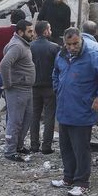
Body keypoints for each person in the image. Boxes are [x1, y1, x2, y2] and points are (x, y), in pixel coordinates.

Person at [52, 27, 98, 196]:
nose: (72, 47)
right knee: (66, 146)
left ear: (81, 40)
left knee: (80, 148)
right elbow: (55, 73)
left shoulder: (92, 57)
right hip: (64, 109)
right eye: (69, 44)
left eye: (76, 43)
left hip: (82, 111)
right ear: (64, 43)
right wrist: (58, 88)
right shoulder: (61, 56)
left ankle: (82, 182)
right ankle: (68, 177)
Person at [0, 9, 26, 132]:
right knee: (10, 103)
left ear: (11, 18)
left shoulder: (0, 31)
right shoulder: (21, 36)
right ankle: (9, 129)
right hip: (13, 73)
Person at [0, 20, 36, 162]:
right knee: (15, 121)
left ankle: (18, 146)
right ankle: (10, 152)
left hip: (26, 89)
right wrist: (8, 84)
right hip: (18, 90)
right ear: (21, 32)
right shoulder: (17, 46)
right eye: (29, 31)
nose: (32, 34)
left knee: (26, 119)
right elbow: (4, 64)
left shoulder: (22, 45)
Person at [29, 21, 59, 154]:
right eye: (50, 29)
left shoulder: (29, 47)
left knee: (34, 116)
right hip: (50, 87)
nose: (51, 31)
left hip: (34, 86)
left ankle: (34, 145)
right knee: (49, 116)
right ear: (46, 31)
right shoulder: (55, 47)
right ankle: (46, 146)